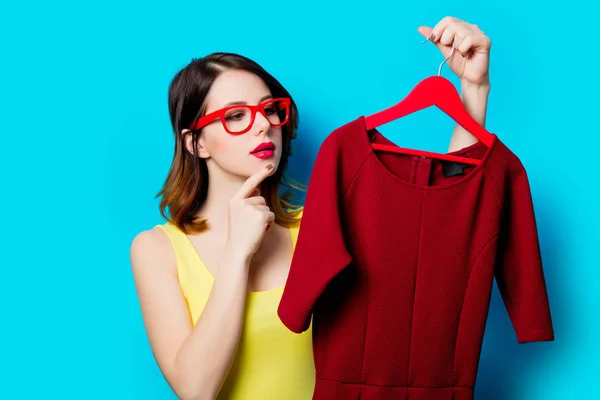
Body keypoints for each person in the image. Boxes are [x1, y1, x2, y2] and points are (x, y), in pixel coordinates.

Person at [130, 15, 493, 400]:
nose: (263, 125)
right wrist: (237, 253)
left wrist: (473, 88)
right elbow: (195, 389)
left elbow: (445, 223)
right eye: (236, 115)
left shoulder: (325, 224)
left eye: (270, 108)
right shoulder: (157, 250)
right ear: (196, 143)